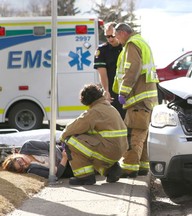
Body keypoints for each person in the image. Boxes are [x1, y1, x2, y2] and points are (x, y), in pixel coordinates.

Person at [112, 23, 159, 178]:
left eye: (116, 35)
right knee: (143, 133)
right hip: (147, 97)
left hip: (138, 97)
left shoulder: (132, 45)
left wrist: (123, 91)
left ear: (123, 33)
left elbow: (132, 70)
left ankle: (129, 167)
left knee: (134, 133)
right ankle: (143, 166)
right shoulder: (141, 42)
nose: (115, 39)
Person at [60, 83, 128, 185]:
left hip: (109, 150)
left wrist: (62, 138)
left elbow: (74, 127)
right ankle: (110, 170)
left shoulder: (94, 111)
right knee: (89, 145)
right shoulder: (109, 107)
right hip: (118, 150)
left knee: (70, 141)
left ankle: (84, 177)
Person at [94, 22, 126, 119]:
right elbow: (102, 73)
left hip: (126, 89)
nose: (110, 39)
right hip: (112, 91)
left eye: (112, 36)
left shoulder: (126, 48)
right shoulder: (102, 50)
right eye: (107, 37)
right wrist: (106, 91)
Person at [2, 140, 72, 179]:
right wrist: (64, 158)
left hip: (61, 150)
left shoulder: (29, 145)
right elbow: (56, 175)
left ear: (16, 155)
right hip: (65, 168)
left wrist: (59, 159)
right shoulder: (32, 170)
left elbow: (51, 146)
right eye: (21, 168)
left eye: (20, 162)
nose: (23, 164)